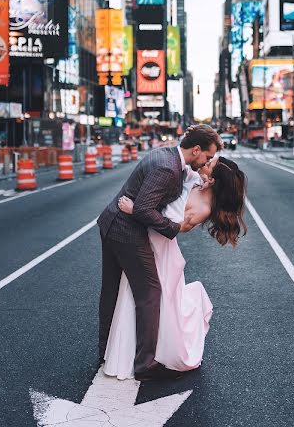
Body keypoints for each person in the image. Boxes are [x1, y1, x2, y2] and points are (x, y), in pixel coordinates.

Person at [102, 154, 247, 381]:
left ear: (213, 180)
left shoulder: (204, 208)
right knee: (135, 295)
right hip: (141, 239)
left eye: (209, 164)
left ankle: (153, 355)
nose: (204, 163)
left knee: (153, 300)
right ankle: (131, 353)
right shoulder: (195, 179)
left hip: (162, 251)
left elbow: (174, 228)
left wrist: (136, 210)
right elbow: (182, 160)